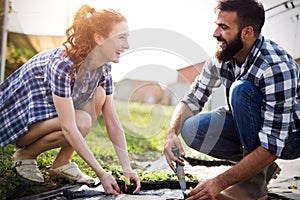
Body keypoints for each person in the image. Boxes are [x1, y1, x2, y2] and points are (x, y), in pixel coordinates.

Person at [163, 0, 300, 199]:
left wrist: (218, 182)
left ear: (247, 32)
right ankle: (261, 168)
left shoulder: (276, 67)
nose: (215, 33)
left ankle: (252, 187)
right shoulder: (222, 57)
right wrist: (170, 133)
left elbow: (272, 145)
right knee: (191, 129)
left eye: (224, 27)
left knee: (240, 90)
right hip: (261, 132)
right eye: (217, 25)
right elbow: (192, 99)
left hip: (291, 136)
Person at [0, 5, 140, 194]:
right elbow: (69, 126)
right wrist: (101, 173)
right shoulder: (64, 63)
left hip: (48, 116)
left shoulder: (104, 68)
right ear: (99, 38)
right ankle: (24, 155)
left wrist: (127, 168)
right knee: (81, 122)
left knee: (99, 95)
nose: (127, 45)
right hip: (20, 124)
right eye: (121, 37)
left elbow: (112, 122)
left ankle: (62, 164)